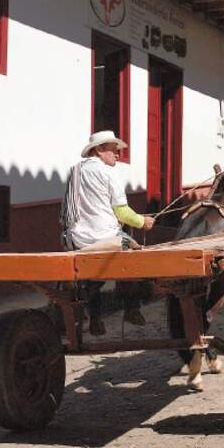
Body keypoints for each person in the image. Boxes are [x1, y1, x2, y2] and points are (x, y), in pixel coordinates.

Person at [60, 130, 154, 335]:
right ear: (100, 150)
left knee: (92, 279)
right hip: (106, 236)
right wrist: (142, 222)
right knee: (138, 258)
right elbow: (121, 211)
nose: (118, 155)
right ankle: (131, 309)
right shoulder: (108, 173)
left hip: (77, 239)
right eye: (113, 150)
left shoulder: (75, 170)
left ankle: (95, 318)